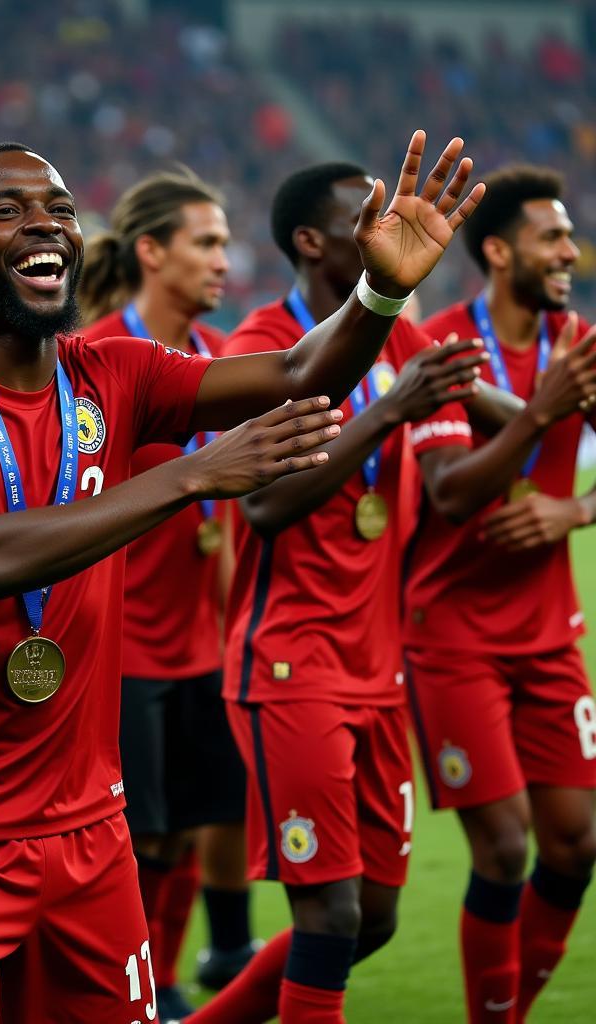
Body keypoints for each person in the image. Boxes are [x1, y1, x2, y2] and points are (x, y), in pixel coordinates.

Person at [0, 130, 482, 1023]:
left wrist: (381, 290)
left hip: (86, 830)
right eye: (8, 212)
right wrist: (190, 474)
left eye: (61, 210)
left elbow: (304, 371)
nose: (46, 226)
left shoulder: (114, 373)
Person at [178, 160, 502, 1024]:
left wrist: (543, 413)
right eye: (368, 215)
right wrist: (386, 415)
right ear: (312, 242)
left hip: (378, 667)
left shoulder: (401, 337)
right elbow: (267, 504)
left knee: (377, 919)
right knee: (331, 911)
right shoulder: (258, 347)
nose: (389, 224)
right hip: (290, 663)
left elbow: (454, 471)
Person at [406, 165, 596, 1022]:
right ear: (497, 249)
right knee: (506, 846)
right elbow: (449, 492)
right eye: (551, 237)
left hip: (550, 634)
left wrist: (575, 509)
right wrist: (538, 411)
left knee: (576, 841)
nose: (570, 251)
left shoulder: (581, 342)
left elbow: (564, 496)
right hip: (452, 639)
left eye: (568, 235)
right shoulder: (444, 344)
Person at [77, 168, 257, 1019]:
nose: (225, 259)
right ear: (152, 252)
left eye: (225, 242)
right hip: (121, 649)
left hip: (202, 644)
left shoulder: (225, 361)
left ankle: (167, 983)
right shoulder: (95, 359)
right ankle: (124, 987)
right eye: (207, 242)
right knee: (137, 839)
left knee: (188, 830)